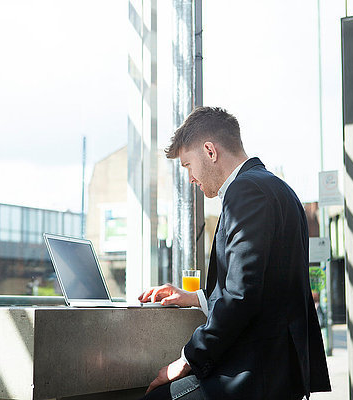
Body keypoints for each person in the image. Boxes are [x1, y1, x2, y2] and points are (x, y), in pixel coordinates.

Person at [138, 107, 331, 400]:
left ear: (210, 151)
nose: (190, 178)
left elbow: (242, 295)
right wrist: (195, 297)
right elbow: (263, 282)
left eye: (188, 165)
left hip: (253, 374)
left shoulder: (245, 192)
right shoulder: (280, 188)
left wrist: (187, 359)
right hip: (282, 372)